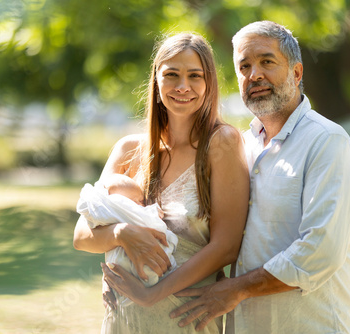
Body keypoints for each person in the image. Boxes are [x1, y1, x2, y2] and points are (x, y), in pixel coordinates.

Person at [170, 21, 350, 333]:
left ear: (297, 73)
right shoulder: (240, 148)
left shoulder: (327, 142)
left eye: (267, 62)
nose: (254, 75)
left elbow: (320, 252)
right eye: (244, 66)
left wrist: (237, 289)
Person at [73, 32, 249, 334]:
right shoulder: (128, 150)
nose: (183, 86)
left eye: (195, 75)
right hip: (123, 320)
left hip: (185, 319)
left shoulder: (222, 143)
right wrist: (122, 233)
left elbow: (227, 246)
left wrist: (154, 293)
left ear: (208, 85)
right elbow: (82, 235)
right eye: (172, 75)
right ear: (156, 82)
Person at [76, 173, 178, 300]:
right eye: (139, 200)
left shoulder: (103, 211)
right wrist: (121, 232)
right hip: (154, 269)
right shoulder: (117, 205)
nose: (142, 204)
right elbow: (79, 239)